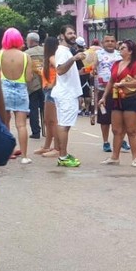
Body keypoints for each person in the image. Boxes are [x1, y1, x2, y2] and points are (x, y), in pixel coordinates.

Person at [99, 40, 136, 167]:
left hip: (130, 98)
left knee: (132, 130)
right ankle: (115, 157)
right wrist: (103, 97)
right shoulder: (116, 63)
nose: (120, 49)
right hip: (116, 98)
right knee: (116, 130)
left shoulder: (135, 65)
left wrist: (124, 84)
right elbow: (110, 81)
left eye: (123, 48)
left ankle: (135, 158)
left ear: (130, 51)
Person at [0, 28, 35, 165]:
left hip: (4, 90)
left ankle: (6, 154)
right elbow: (29, 78)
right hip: (21, 91)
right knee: (21, 125)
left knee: (5, 123)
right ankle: (24, 156)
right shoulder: (26, 57)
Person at [51, 25, 86, 168]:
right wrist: (74, 59)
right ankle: (63, 156)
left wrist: (81, 72)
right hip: (66, 94)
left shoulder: (67, 51)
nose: (73, 35)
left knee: (65, 125)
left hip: (68, 92)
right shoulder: (62, 51)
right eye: (69, 33)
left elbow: (68, 73)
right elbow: (59, 70)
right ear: (62, 35)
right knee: (64, 126)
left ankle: (63, 154)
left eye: (73, 33)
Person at [93, 35, 123, 153]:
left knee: (119, 117)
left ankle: (120, 138)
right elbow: (94, 69)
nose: (110, 43)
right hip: (103, 90)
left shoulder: (119, 54)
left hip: (118, 90)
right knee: (104, 118)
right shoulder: (98, 54)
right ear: (102, 43)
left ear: (116, 43)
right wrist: (93, 72)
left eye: (112, 41)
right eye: (107, 41)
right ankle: (105, 142)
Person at [35, 36, 61, 158]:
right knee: (48, 120)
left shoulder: (52, 58)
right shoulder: (49, 59)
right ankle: (47, 146)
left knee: (53, 121)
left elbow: (59, 70)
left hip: (51, 91)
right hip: (48, 90)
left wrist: (52, 84)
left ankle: (57, 148)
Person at [25, 32, 44, 139]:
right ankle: (47, 131)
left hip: (32, 84)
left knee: (33, 109)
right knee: (45, 108)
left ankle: (36, 132)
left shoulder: (26, 53)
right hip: (46, 83)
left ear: (30, 41)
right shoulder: (45, 51)